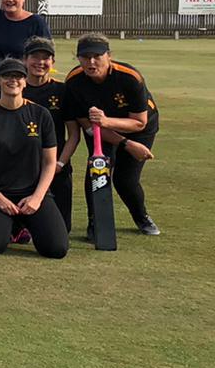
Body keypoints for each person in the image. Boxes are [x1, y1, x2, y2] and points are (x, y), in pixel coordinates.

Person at [60, 34, 160, 237]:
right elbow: (87, 125)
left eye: (97, 56)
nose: (91, 62)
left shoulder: (129, 77)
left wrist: (110, 125)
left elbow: (139, 122)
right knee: (97, 170)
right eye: (85, 57)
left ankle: (141, 217)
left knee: (125, 180)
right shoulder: (74, 82)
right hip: (98, 130)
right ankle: (95, 222)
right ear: (78, 58)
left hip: (139, 127)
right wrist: (123, 142)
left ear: (109, 56)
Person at [0, 59, 67, 258]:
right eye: (7, 76)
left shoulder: (41, 114)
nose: (12, 80)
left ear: (25, 82)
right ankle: (13, 225)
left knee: (56, 249)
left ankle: (21, 222)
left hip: (33, 193)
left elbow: (49, 162)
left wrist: (37, 198)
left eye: (18, 76)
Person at [19, 36, 71, 231]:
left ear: (53, 62)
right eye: (35, 57)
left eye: (46, 58)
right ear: (25, 60)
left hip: (56, 164)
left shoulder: (62, 90)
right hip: (23, 165)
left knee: (62, 229)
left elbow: (73, 134)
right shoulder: (17, 89)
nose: (40, 62)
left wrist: (61, 163)